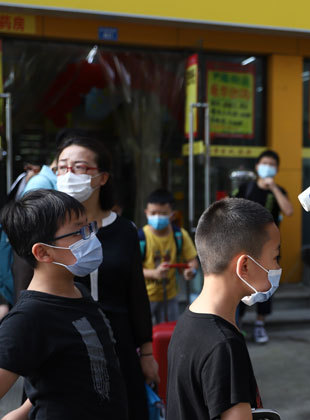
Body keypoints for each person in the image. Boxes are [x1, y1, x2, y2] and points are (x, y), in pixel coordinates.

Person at [0, 189, 127, 419]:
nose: (90, 237)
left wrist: (24, 410)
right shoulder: (28, 318)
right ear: (43, 252)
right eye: (79, 232)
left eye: (88, 227)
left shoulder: (79, 291)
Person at [56, 135, 156, 420]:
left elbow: (136, 294)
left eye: (79, 167)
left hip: (119, 346)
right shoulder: (48, 231)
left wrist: (147, 353)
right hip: (64, 344)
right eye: (62, 167)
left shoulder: (124, 230)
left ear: (102, 178)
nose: (68, 175)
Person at [167, 198, 280, 420]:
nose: (277, 268)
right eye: (275, 257)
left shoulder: (188, 321)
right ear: (245, 266)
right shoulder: (224, 346)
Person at [232, 149, 293, 344]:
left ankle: (260, 325)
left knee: (266, 286)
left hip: (269, 248)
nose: (268, 167)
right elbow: (230, 209)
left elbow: (289, 211)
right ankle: (236, 324)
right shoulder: (246, 188)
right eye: (265, 163)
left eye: (272, 164)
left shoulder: (279, 190)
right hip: (244, 246)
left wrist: (274, 188)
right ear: (257, 166)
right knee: (239, 284)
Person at [141, 188, 198, 324]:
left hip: (170, 298)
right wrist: (154, 273)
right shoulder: (140, 237)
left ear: (172, 215)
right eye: (153, 213)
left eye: (163, 214)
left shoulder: (180, 235)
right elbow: (131, 269)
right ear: (146, 213)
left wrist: (192, 271)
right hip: (144, 298)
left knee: (169, 336)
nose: (157, 217)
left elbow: (192, 261)